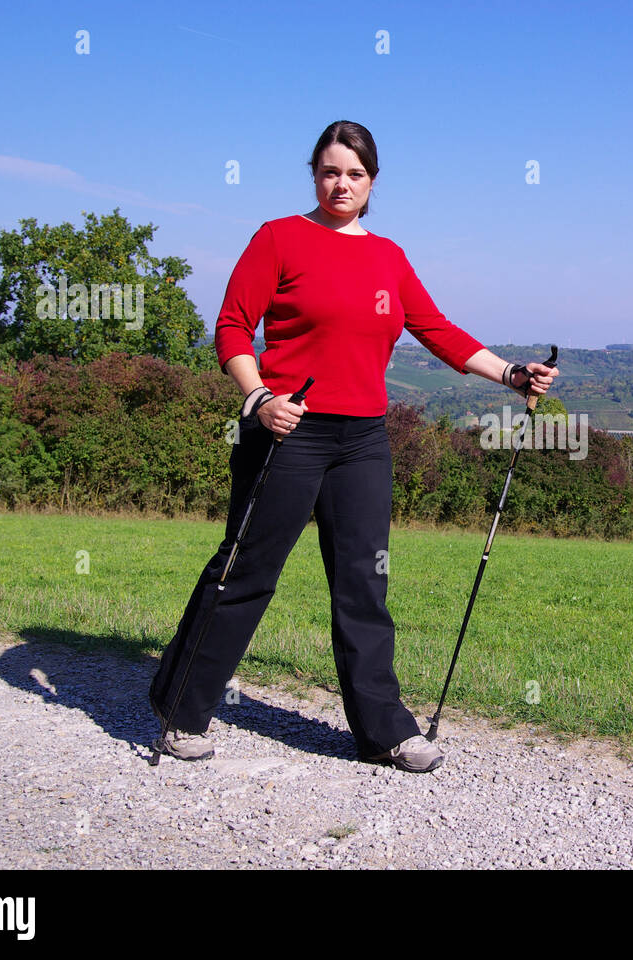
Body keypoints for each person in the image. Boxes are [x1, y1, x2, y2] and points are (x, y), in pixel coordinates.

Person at [149, 120, 558, 773]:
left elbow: (437, 330)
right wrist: (259, 400)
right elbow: (231, 325)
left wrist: (510, 374)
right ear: (315, 173)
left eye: (355, 174)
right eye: (331, 171)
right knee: (248, 573)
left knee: (365, 583)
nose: (342, 184)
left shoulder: (388, 257)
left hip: (364, 439)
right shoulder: (280, 237)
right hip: (288, 430)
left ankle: (384, 731)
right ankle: (182, 709)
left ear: (372, 182)